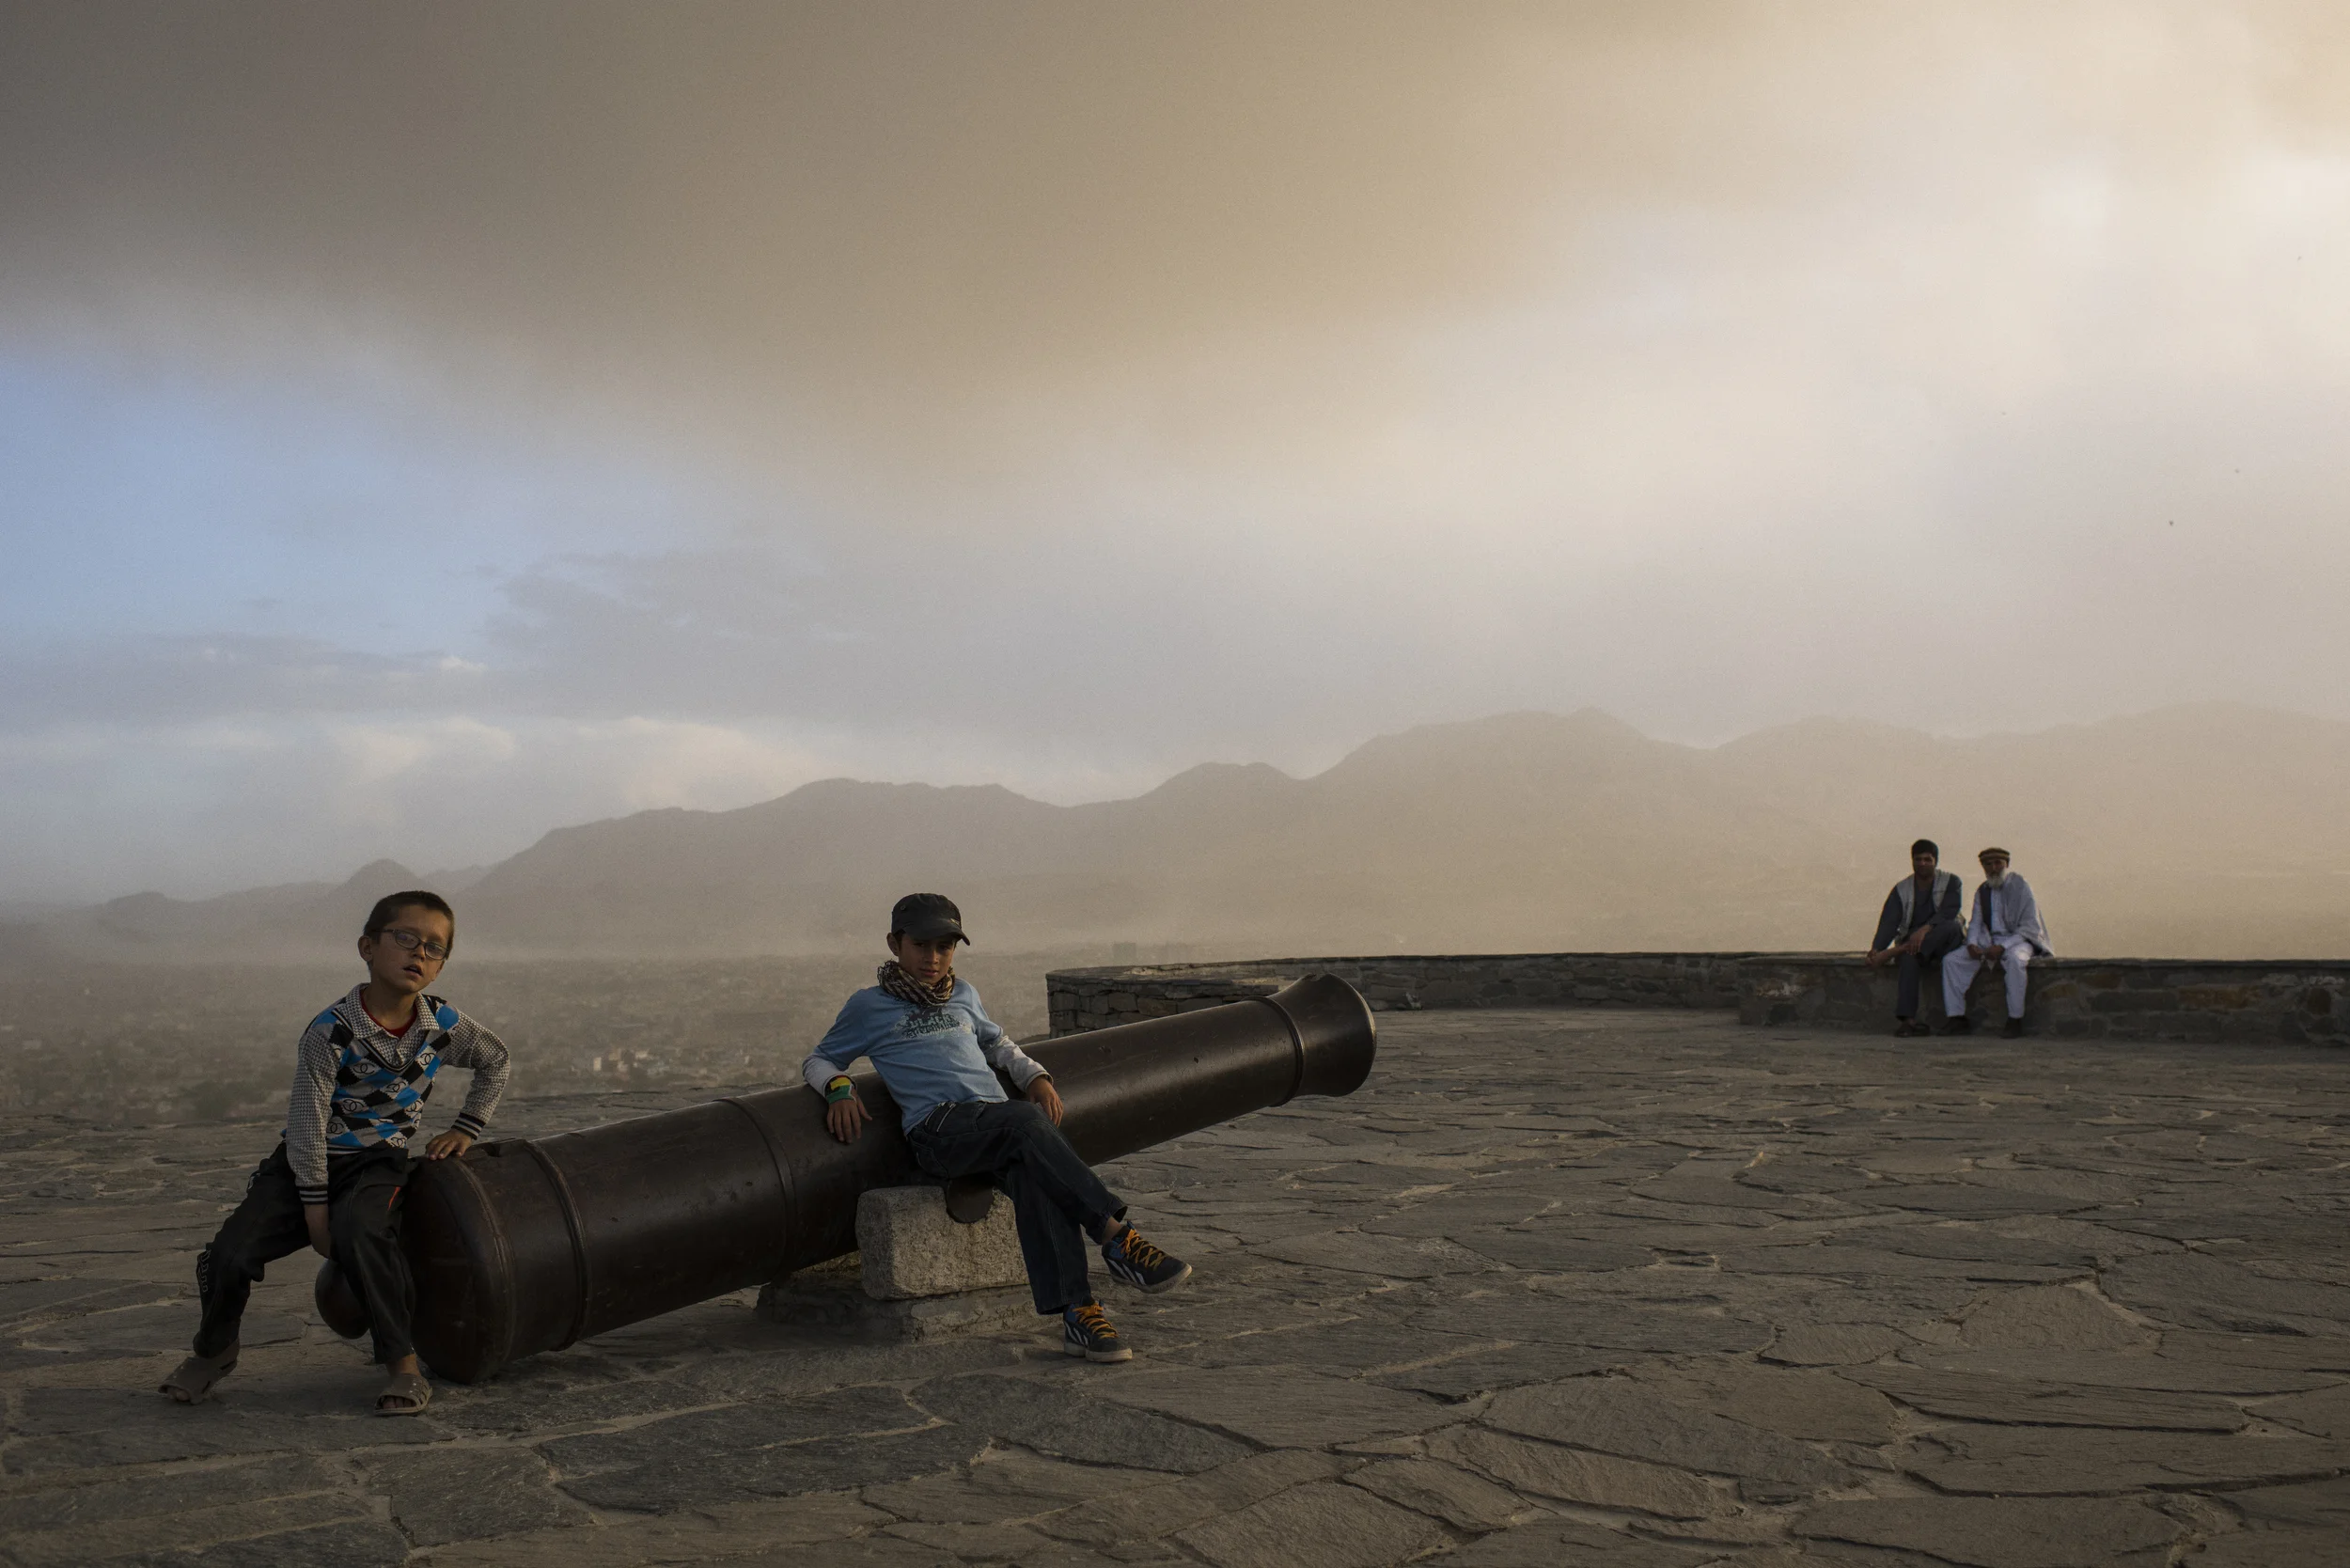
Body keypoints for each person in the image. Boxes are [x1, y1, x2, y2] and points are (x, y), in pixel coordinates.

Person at [160, 891, 509, 1415]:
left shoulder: (442, 1026)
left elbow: (496, 1060)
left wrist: (468, 1126)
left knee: (368, 1238)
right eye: (405, 938)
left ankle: (403, 1365)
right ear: (367, 947)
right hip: (307, 1161)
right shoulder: (332, 1031)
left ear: (439, 968)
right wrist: (315, 1209)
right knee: (229, 1253)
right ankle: (214, 1351)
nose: (419, 954)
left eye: (435, 948)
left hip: (378, 1161)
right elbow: (306, 1123)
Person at [806, 893, 1190, 1363]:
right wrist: (839, 1088)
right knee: (1026, 1124)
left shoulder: (962, 994)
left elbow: (998, 1043)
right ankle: (1117, 1238)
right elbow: (821, 1058)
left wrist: (1035, 1076)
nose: (933, 958)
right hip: (939, 1130)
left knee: (1037, 1181)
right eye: (922, 946)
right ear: (894, 943)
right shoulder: (870, 1006)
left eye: (945, 947)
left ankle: (1080, 1314)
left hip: (993, 1123)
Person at [1941, 847, 2053, 1038]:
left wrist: (2004, 947)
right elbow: (1975, 922)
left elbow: (2029, 927)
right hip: (1990, 941)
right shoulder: (1982, 891)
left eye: (1997, 863)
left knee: (2015, 961)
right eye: (1988, 864)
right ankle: (1956, 1018)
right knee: (1951, 961)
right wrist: (1972, 944)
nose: (1993, 868)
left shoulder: (2021, 887)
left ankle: (2014, 1019)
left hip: (2019, 940)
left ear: (2006, 864)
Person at [1866, 839, 1966, 1037]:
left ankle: (1900, 949)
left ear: (1935, 861)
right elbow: (1889, 922)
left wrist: (1925, 930)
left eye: (1927, 859)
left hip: (1945, 940)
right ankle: (1908, 1020)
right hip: (1916, 947)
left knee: (1951, 926)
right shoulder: (1902, 889)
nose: (1922, 864)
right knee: (1910, 959)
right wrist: (1877, 948)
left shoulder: (1951, 882)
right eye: (1918, 859)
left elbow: (1949, 911)